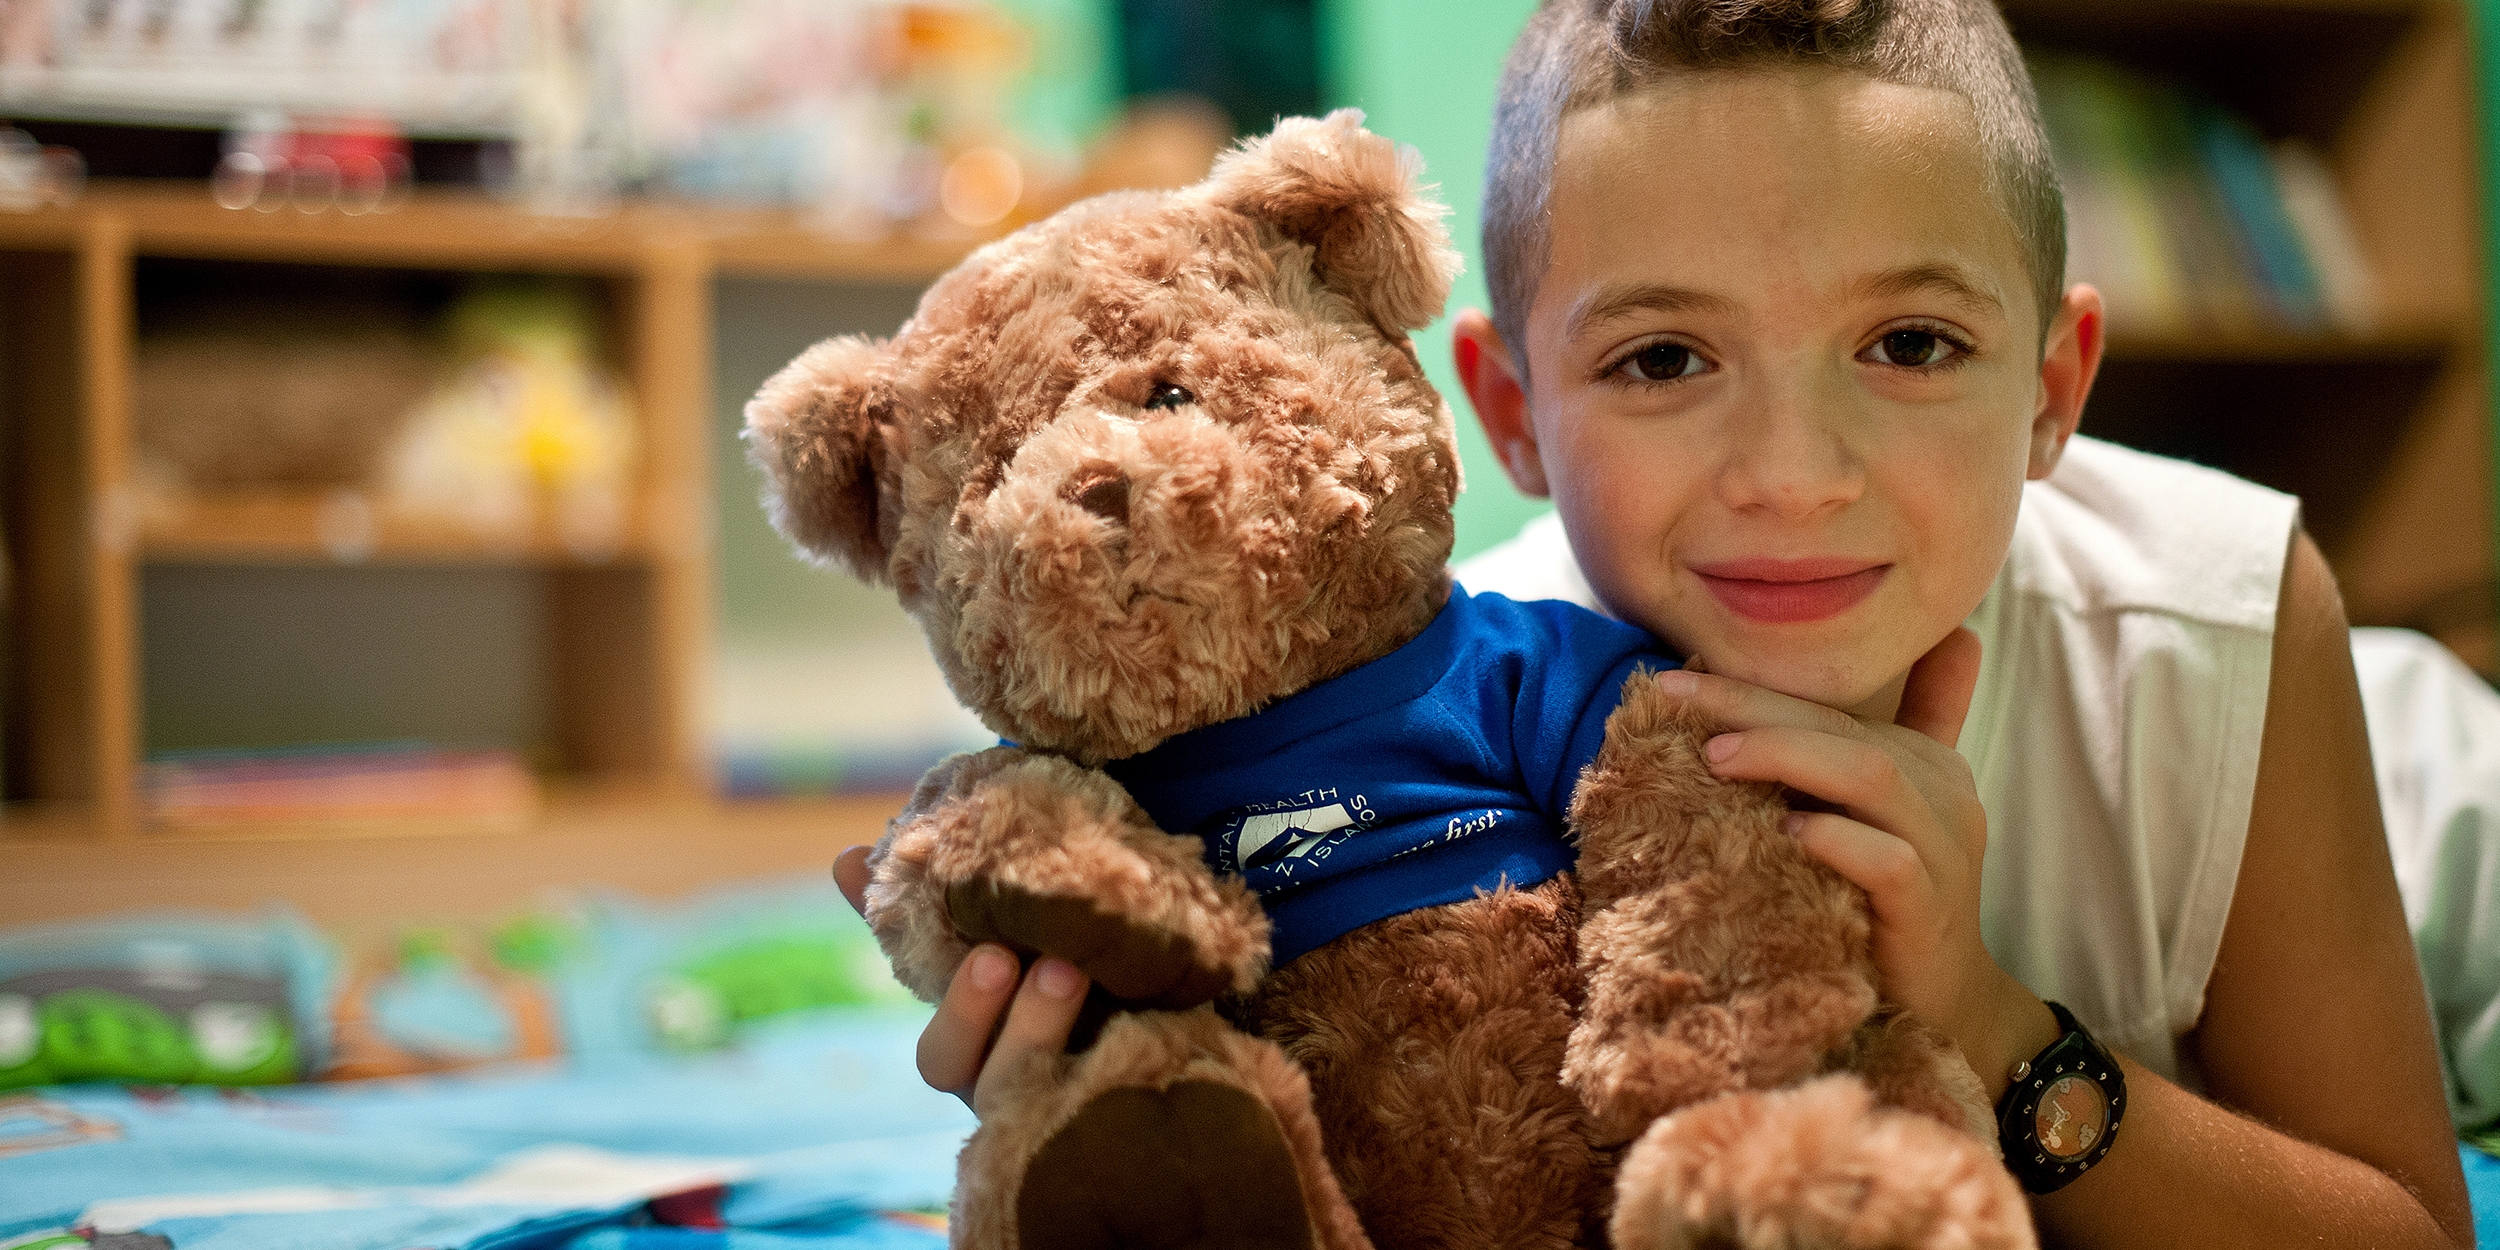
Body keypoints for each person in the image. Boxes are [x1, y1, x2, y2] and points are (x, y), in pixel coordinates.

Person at [835, 0, 2478, 1243]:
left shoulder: (2219, 616)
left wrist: (1983, 1019)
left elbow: (2408, 1222)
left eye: (1909, 344)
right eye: (1663, 361)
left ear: (2054, 385)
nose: (1790, 476)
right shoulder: (1472, 702)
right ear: (1512, 411)